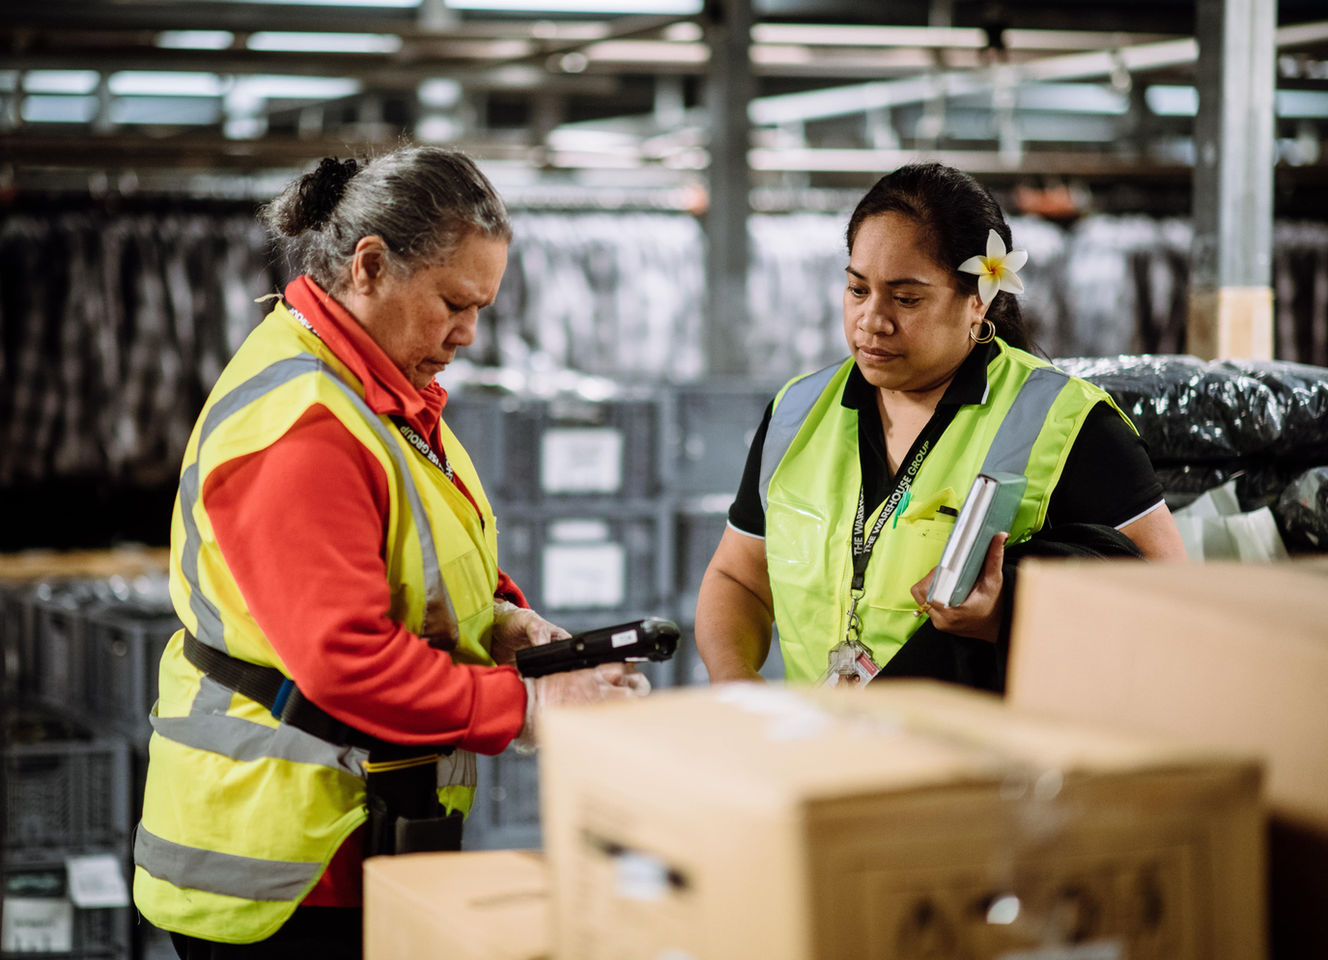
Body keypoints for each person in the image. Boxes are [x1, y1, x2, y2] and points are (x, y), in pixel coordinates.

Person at [133, 145, 647, 959]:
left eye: (480, 308)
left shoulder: (378, 397)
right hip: (282, 866)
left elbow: (412, 552)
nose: (468, 333)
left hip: (348, 839)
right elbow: (345, 661)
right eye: (453, 302)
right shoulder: (303, 422)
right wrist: (527, 709)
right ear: (369, 266)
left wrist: (504, 621)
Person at [695, 161, 1186, 689]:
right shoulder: (796, 413)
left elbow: (1174, 607)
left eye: (906, 299)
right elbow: (738, 577)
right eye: (859, 290)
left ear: (978, 300)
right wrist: (735, 679)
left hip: (971, 763)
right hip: (819, 753)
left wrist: (1006, 615)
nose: (872, 320)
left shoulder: (1066, 424)